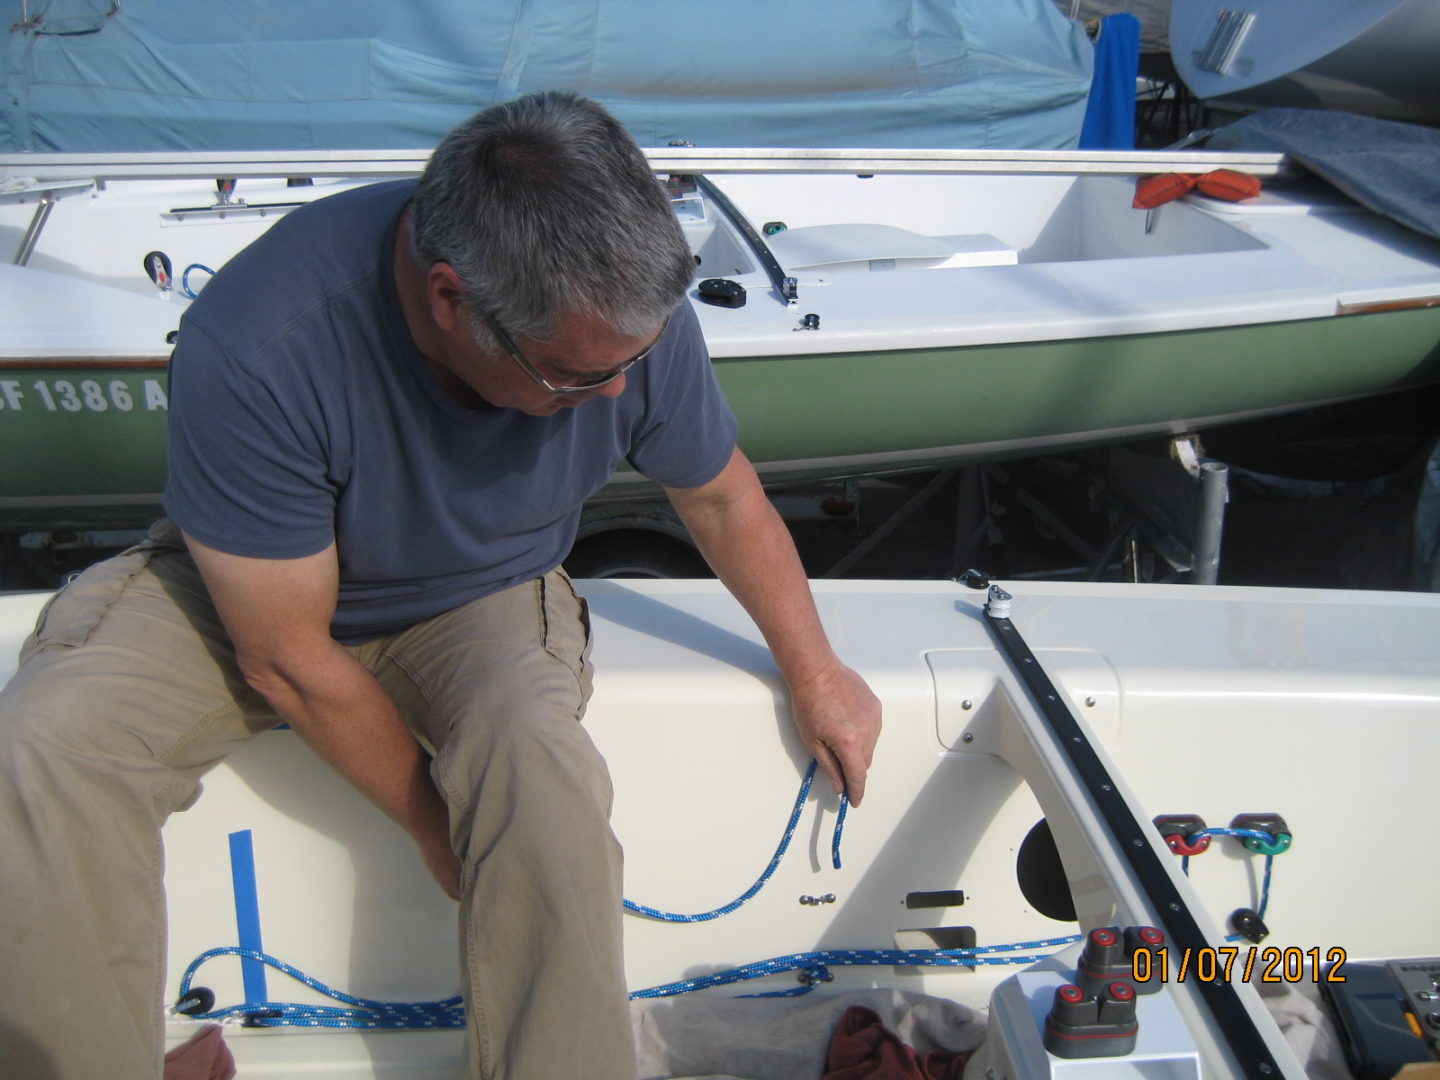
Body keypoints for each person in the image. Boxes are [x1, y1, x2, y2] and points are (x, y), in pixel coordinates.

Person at [0, 91, 881, 1079]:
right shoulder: (261, 343)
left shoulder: (622, 320)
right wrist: (436, 824)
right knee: (45, 750)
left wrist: (817, 670)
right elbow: (286, 657)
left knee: (540, 778)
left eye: (632, 362)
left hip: (484, 589)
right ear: (453, 300)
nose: (622, 396)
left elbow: (719, 498)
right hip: (247, 593)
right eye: (576, 380)